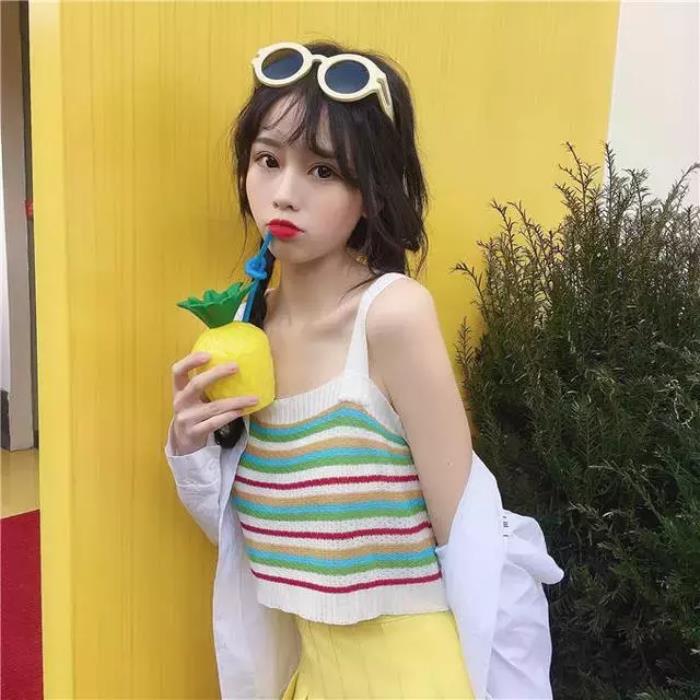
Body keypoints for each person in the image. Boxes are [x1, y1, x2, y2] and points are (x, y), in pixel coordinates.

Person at [165, 40, 564, 699]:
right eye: (268, 160)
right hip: (311, 679)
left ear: (371, 190)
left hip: (417, 677)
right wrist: (190, 447)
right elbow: (266, 544)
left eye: (323, 171)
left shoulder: (392, 317)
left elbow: (470, 536)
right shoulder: (243, 328)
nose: (283, 194)